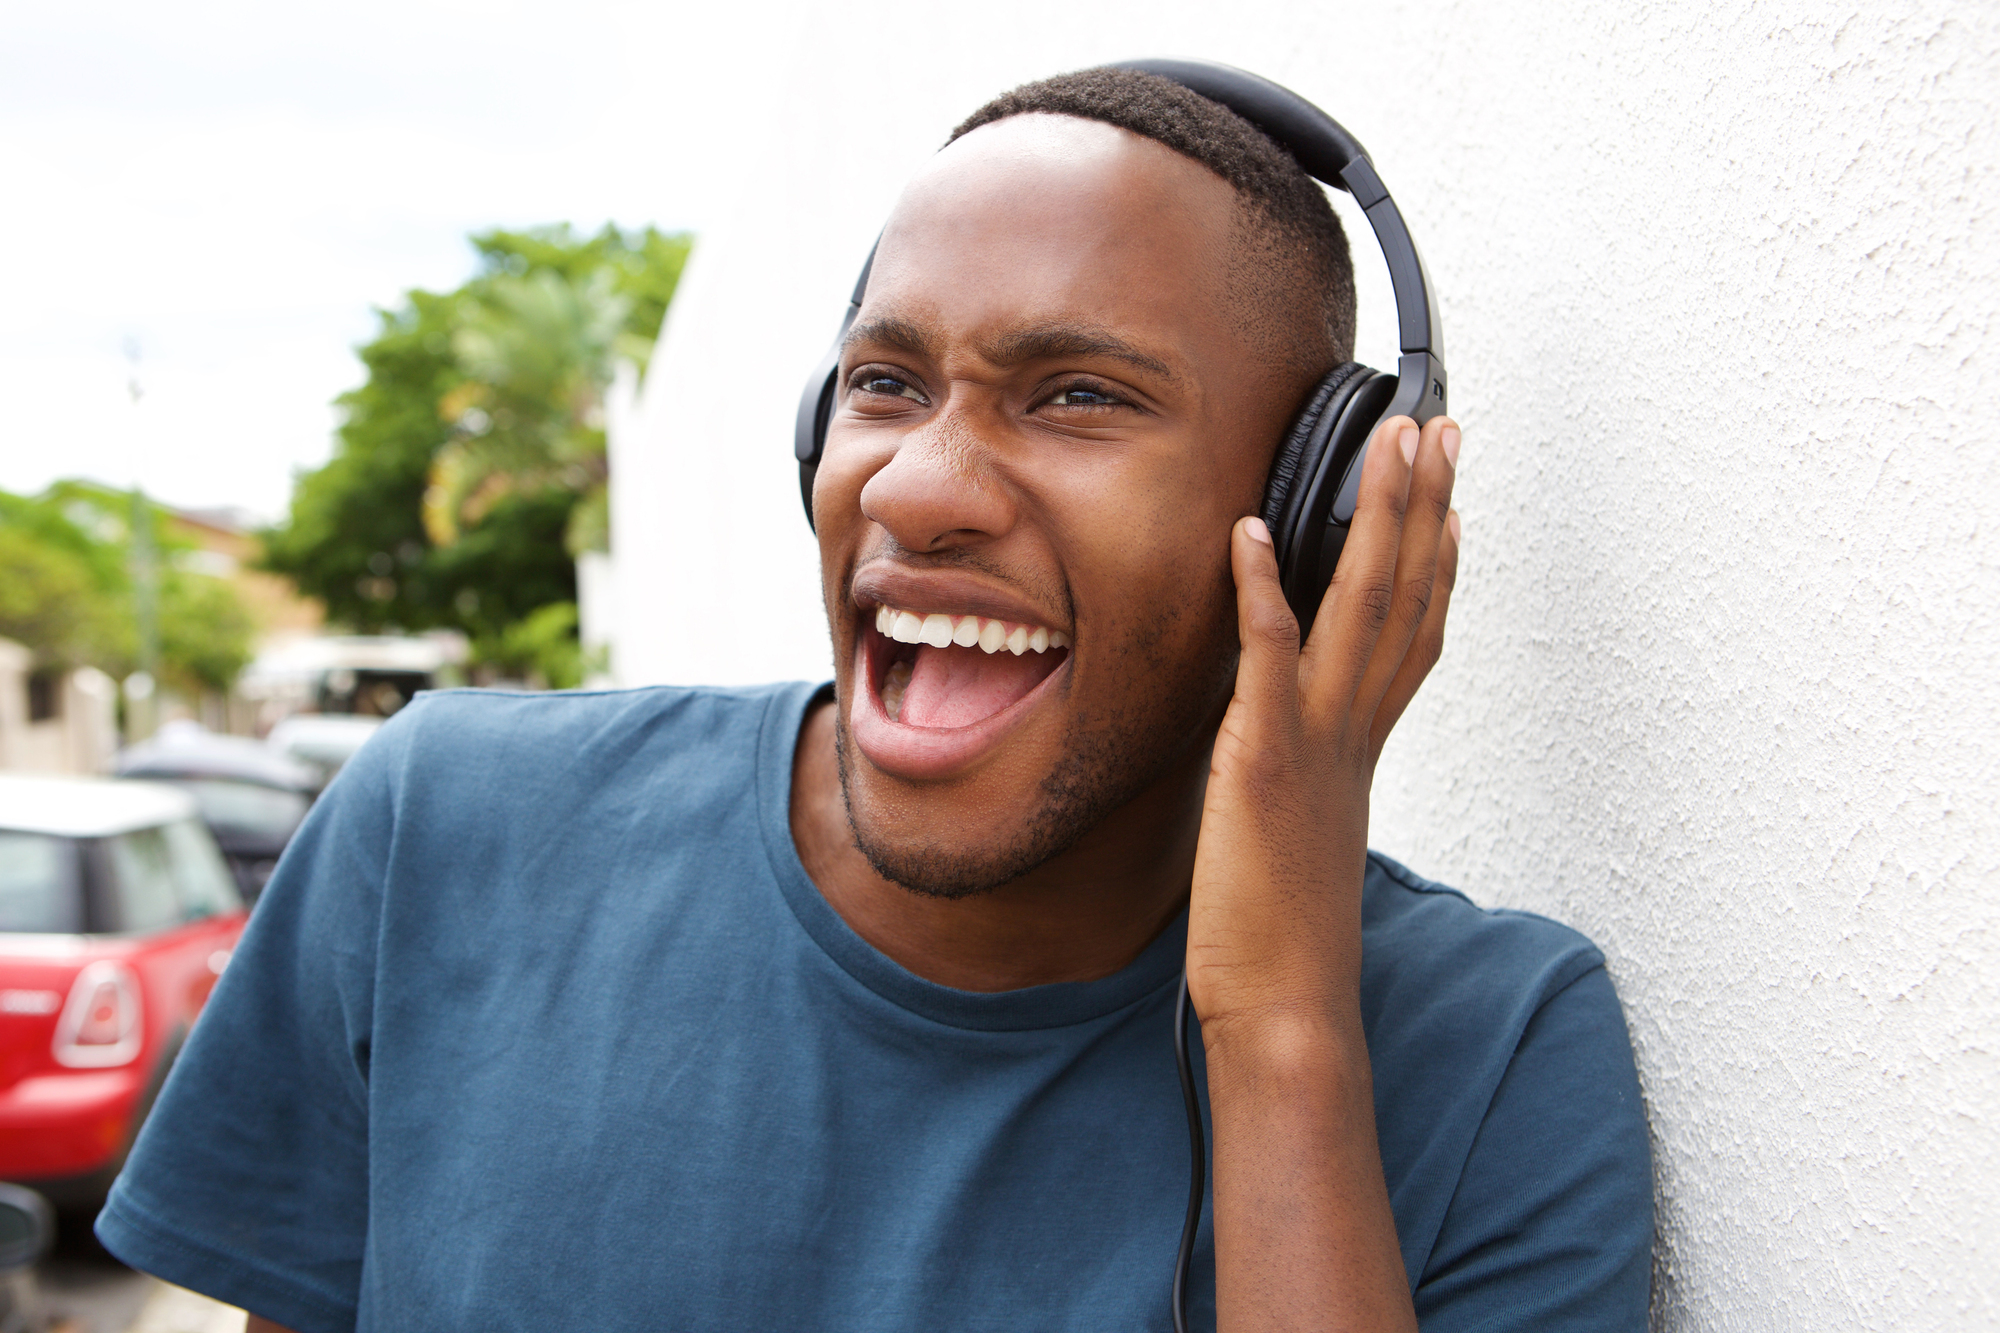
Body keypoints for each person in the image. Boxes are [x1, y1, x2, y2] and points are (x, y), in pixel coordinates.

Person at [96, 67, 1652, 1331]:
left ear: (1320, 514)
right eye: (886, 383)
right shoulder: (441, 828)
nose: (917, 483)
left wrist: (1280, 1024)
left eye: (1078, 396)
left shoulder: (1496, 1051)